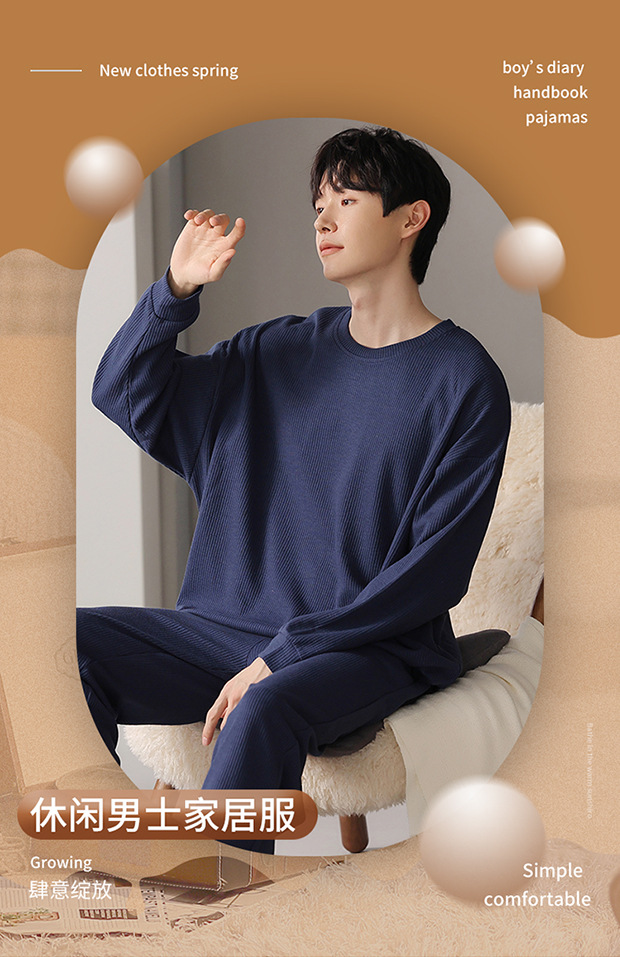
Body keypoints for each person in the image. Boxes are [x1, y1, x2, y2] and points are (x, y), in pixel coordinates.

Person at [77, 127, 511, 853]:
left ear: (412, 218)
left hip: (370, 646)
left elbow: (433, 574)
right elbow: (120, 391)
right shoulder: (272, 352)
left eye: (347, 199)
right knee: (62, 648)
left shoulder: (463, 380)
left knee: (264, 709)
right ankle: (83, 870)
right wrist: (173, 292)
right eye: (318, 204)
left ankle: (221, 905)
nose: (323, 219)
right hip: (226, 626)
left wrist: (282, 656)